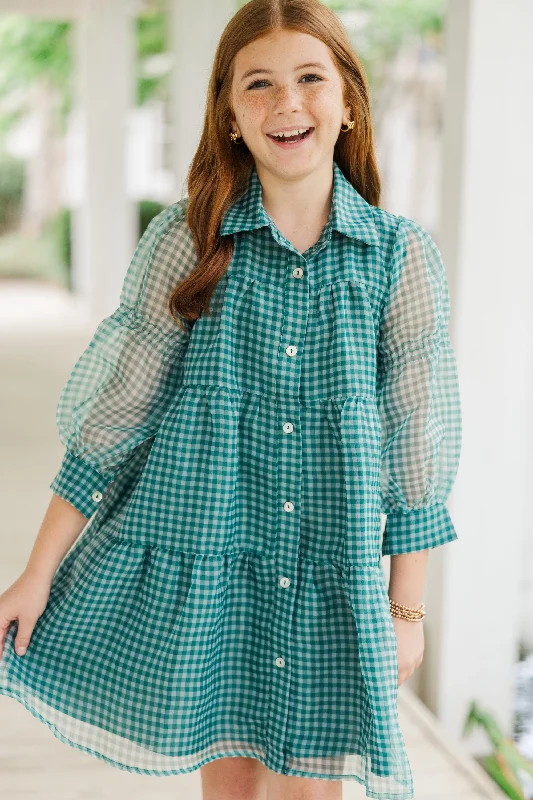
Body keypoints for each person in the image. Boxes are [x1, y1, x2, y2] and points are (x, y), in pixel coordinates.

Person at [0, 1, 462, 799]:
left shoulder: (398, 258)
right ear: (230, 114)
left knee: (312, 791)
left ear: (347, 100)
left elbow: (416, 443)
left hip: (332, 574)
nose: (287, 103)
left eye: (309, 78)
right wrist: (36, 572)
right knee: (234, 782)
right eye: (259, 85)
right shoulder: (187, 241)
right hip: (212, 566)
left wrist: (405, 609)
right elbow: (117, 415)